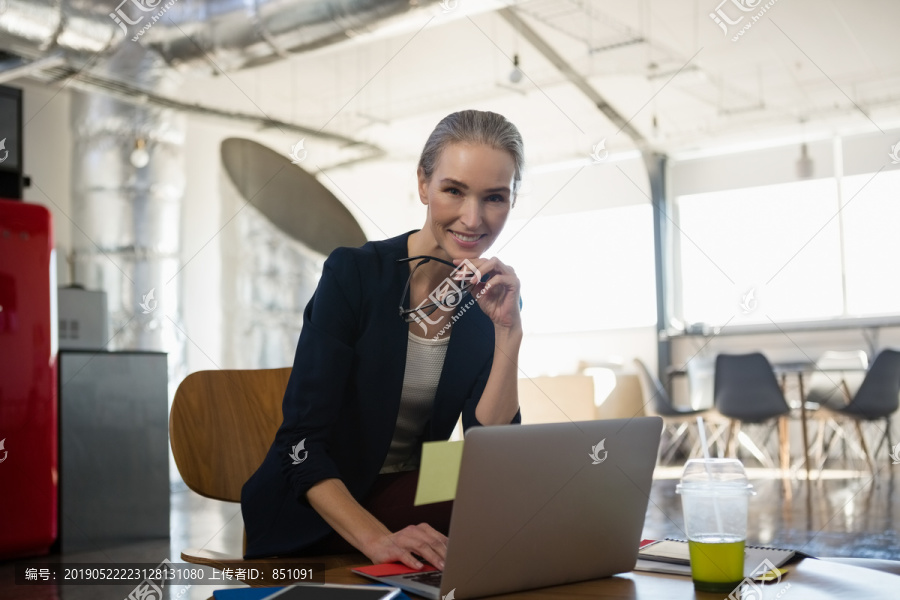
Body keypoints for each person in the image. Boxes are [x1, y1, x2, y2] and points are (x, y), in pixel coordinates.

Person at [241, 109, 524, 572]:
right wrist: (379, 540)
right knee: (502, 518)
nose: (473, 219)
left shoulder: (486, 300)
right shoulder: (354, 274)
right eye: (454, 190)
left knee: (523, 491)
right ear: (423, 184)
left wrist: (508, 333)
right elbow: (300, 445)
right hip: (322, 499)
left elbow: (490, 450)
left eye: (495, 198)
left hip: (412, 486)